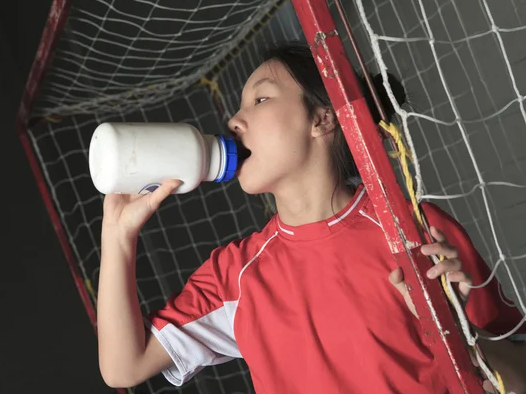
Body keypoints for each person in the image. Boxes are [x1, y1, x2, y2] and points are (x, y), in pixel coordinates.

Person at [96, 44, 526, 393]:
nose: (233, 120)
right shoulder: (235, 277)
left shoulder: (414, 229)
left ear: (322, 119)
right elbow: (123, 367)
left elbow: (517, 368)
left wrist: (462, 336)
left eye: (260, 98)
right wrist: (118, 235)